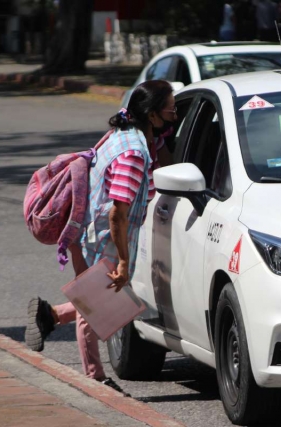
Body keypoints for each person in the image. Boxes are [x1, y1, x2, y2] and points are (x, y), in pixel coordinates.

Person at [24, 80, 177, 396]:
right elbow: (117, 214)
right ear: (151, 114)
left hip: (87, 229)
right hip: (103, 234)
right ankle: (95, 379)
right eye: (171, 107)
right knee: (97, 305)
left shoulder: (125, 134)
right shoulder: (134, 154)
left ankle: (49, 315)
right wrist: (122, 260)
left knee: (105, 301)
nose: (175, 112)